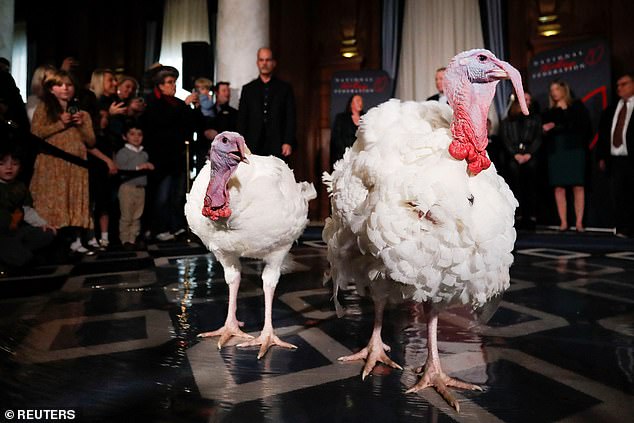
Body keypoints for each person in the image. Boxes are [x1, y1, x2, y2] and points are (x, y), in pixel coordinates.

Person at [29, 70, 95, 254]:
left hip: (76, 166)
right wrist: (60, 124)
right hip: (52, 164)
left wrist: (80, 124)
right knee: (53, 201)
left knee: (73, 200)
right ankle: (51, 241)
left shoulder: (83, 114)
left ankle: (76, 239)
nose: (65, 88)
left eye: (69, 85)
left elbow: (91, 141)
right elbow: (35, 134)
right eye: (59, 85)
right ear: (51, 89)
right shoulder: (44, 108)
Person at [140, 65, 197, 241]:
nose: (174, 86)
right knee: (162, 196)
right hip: (160, 159)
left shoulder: (178, 103)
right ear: (160, 85)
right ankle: (160, 228)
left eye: (174, 82)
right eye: (170, 82)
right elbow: (162, 123)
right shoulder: (152, 103)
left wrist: (192, 108)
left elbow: (189, 125)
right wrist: (184, 107)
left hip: (177, 158)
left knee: (177, 195)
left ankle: (176, 225)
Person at [542, 79, 592, 232]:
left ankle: (579, 223)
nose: (553, 92)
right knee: (559, 188)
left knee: (578, 186)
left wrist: (556, 126)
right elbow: (544, 130)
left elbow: (583, 127)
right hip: (556, 150)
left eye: (556, 88)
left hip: (575, 148)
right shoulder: (549, 111)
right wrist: (547, 129)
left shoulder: (576, 106)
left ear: (564, 89)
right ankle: (563, 222)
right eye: (551, 90)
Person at [0, 142, 56, 270]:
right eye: (2, 164)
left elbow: (27, 210)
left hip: (15, 231)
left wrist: (43, 223)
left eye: (14, 164)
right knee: (22, 258)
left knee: (46, 233)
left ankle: (15, 253)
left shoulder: (20, 186)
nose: (9, 168)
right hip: (1, 235)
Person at [238, 47, 296, 158]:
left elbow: (290, 117)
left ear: (274, 63)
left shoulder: (285, 88)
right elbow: (242, 119)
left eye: (268, 60)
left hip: (278, 143)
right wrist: (241, 144)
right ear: (257, 63)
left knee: (277, 174)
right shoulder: (248, 89)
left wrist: (288, 141)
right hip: (252, 144)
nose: (264, 63)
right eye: (261, 60)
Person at [597, 72, 634, 238]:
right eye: (618, 85)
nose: (619, 88)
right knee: (618, 195)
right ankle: (621, 228)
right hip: (615, 159)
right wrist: (602, 156)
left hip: (631, 158)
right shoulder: (612, 109)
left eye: (624, 84)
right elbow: (603, 135)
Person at [500, 92, 542, 229]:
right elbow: (505, 139)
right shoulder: (507, 121)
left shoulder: (535, 119)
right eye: (525, 99)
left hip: (530, 157)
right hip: (513, 157)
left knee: (531, 186)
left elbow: (538, 138)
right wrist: (515, 154)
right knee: (514, 186)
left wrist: (529, 153)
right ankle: (517, 217)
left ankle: (531, 217)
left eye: (529, 99)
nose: (528, 102)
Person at [114, 120, 154, 249]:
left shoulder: (144, 153)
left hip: (140, 188)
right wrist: (138, 167)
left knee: (137, 215)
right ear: (125, 137)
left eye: (139, 134)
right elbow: (120, 168)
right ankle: (124, 239)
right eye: (132, 134)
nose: (136, 137)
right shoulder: (123, 152)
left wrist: (148, 166)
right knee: (126, 215)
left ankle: (132, 239)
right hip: (127, 187)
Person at [330, 94, 363, 167]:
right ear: (351, 104)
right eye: (357, 101)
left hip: (360, 158)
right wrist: (347, 152)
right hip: (344, 157)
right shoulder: (341, 118)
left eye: (361, 101)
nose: (360, 103)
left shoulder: (365, 118)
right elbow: (336, 137)